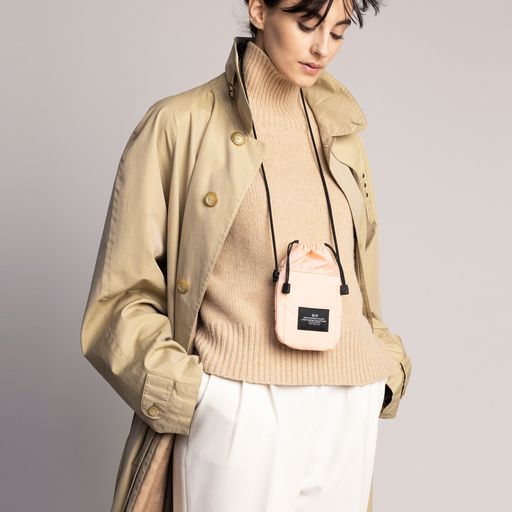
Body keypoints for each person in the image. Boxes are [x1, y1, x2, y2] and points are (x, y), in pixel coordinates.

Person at [80, 1, 412, 511]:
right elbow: (119, 298)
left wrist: (384, 371)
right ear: (258, 8)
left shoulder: (343, 135)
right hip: (239, 408)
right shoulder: (179, 124)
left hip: (348, 405)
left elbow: (361, 281)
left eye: (338, 32)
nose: (322, 48)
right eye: (307, 24)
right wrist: (197, 396)